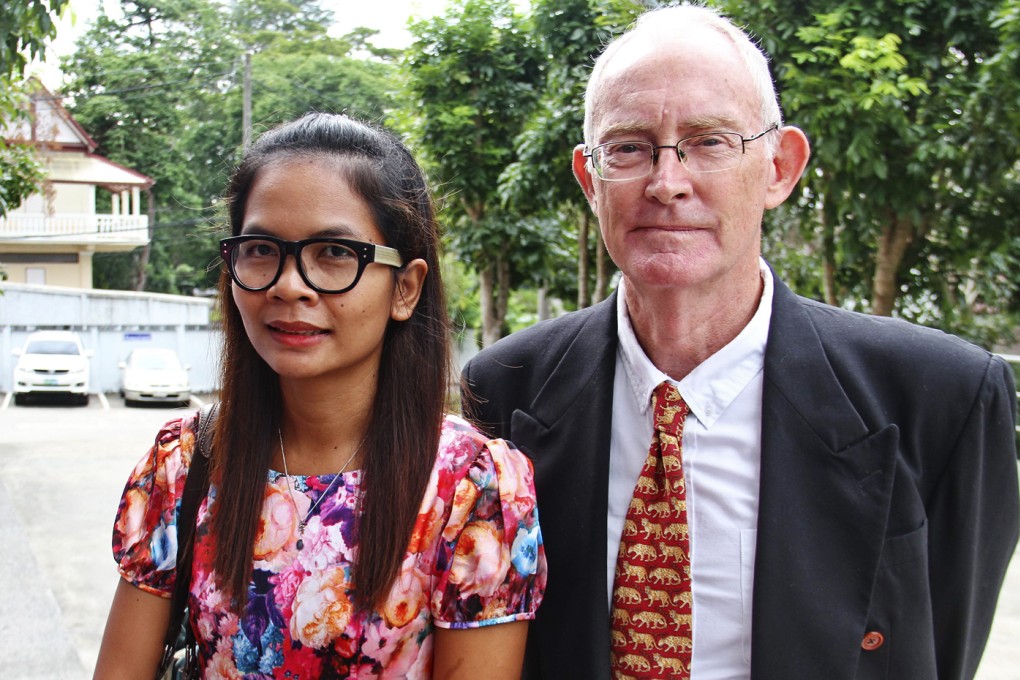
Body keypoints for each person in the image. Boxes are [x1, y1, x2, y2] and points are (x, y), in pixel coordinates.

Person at [461, 5, 1018, 680]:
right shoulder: (506, 389)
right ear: (589, 178)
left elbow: (942, 649)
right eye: (630, 147)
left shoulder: (941, 398)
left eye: (710, 141)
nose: (667, 183)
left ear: (780, 168)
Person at [95, 113, 547, 679]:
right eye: (260, 249)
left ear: (404, 288)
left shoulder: (474, 488)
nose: (289, 284)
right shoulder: (184, 464)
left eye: (334, 252)